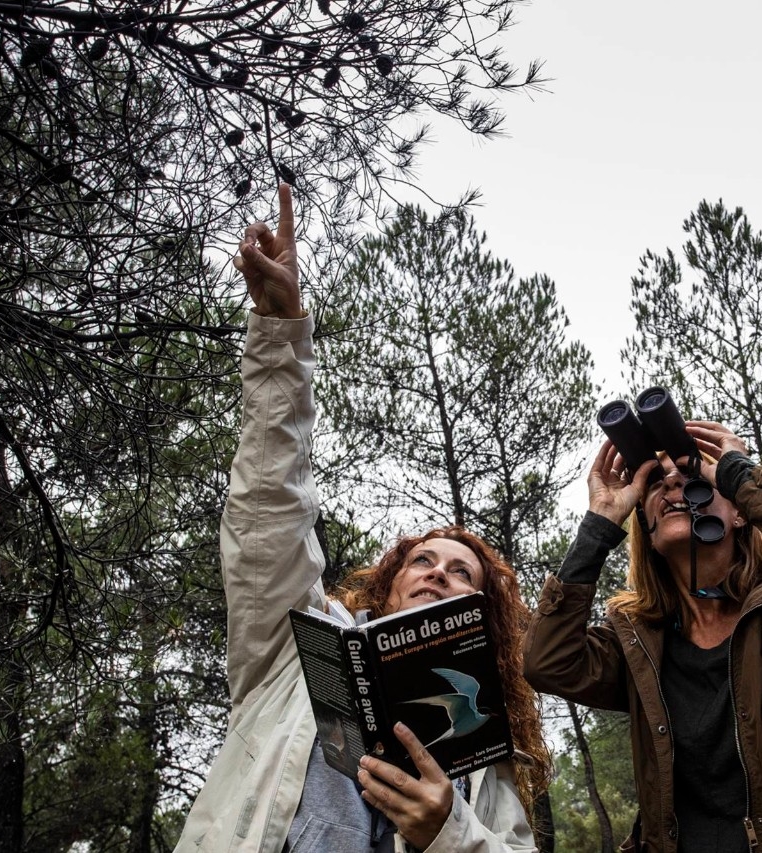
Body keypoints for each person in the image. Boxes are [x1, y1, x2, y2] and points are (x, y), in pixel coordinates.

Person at [177, 184, 551, 853]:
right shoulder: (294, 650)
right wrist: (280, 337)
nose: (437, 573)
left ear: (482, 611)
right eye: (423, 561)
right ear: (388, 581)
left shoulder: (488, 762)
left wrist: (451, 830)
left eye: (461, 573)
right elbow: (269, 504)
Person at [523, 423, 762, 852]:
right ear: (646, 524)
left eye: (693, 480)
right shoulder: (639, 645)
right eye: (658, 484)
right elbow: (546, 663)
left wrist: (739, 473)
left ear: (740, 512)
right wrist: (598, 527)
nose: (675, 483)